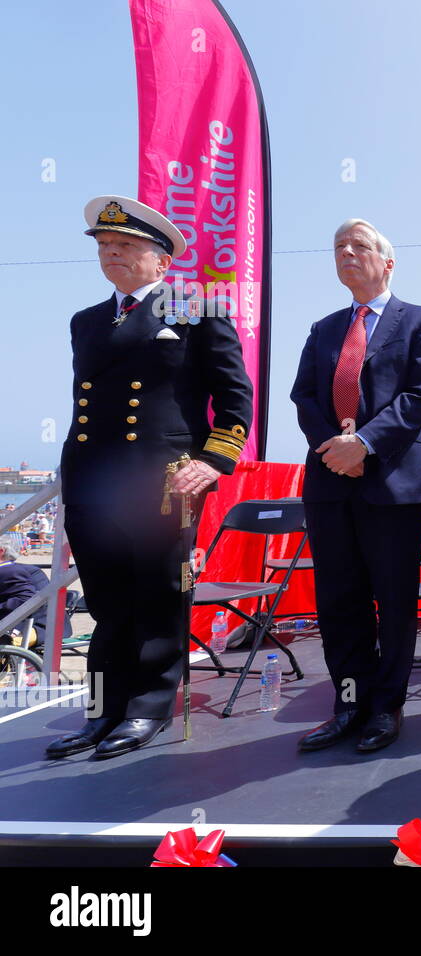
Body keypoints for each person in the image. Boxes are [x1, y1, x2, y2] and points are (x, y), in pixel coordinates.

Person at [47, 196, 253, 759]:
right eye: (105, 247)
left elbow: (235, 402)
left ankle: (149, 710)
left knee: (160, 595)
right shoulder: (85, 321)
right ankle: (100, 711)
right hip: (93, 480)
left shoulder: (196, 306)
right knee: (106, 601)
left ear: (162, 261)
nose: (112, 254)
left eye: (126, 247)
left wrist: (211, 463)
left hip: (163, 481)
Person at [291, 219, 421, 754]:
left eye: (360, 246)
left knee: (394, 599)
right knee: (338, 599)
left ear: (388, 261)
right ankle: (349, 704)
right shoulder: (322, 329)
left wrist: (366, 445)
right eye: (339, 247)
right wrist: (337, 450)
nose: (347, 253)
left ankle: (386, 707)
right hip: (330, 481)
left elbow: (420, 396)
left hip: (393, 481)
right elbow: (304, 397)